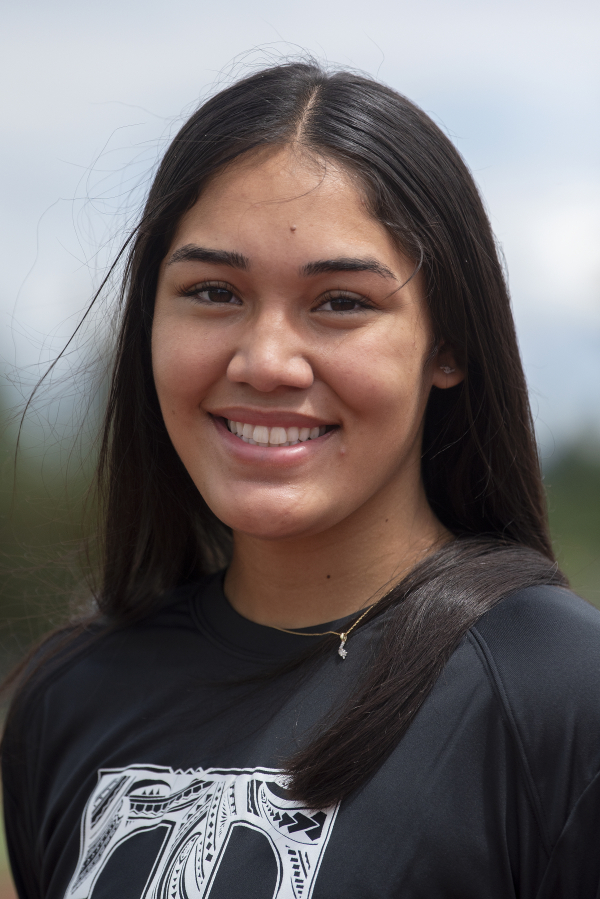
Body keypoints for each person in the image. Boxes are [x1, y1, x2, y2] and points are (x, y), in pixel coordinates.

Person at [2, 61, 600, 899]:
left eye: (340, 302)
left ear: (450, 346)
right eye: (213, 291)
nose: (266, 362)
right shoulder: (69, 698)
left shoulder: (565, 695)